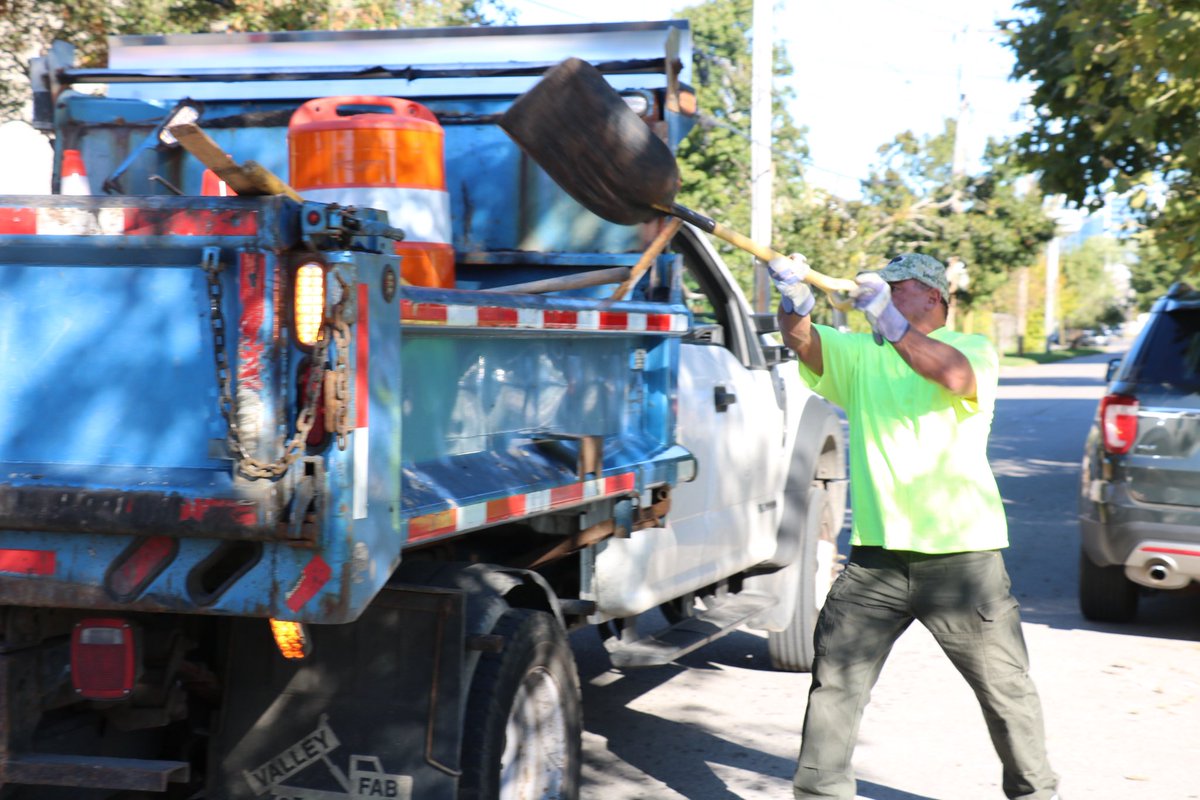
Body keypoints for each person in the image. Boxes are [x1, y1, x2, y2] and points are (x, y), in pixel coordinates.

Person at [768, 252, 1060, 800]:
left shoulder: (973, 349)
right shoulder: (862, 356)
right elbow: (804, 344)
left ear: (933, 297)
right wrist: (795, 302)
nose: (877, 298)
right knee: (835, 686)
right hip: (876, 561)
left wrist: (890, 321)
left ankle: (1037, 794)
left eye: (893, 289)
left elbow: (950, 373)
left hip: (962, 561)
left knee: (1006, 691)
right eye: (877, 290)